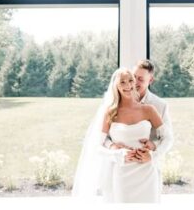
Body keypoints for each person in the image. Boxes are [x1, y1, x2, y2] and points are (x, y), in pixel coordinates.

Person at [72, 67, 168, 203]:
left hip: (147, 172)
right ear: (115, 86)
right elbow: (96, 146)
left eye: (130, 81)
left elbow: (167, 138)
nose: (128, 85)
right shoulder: (110, 113)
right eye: (122, 82)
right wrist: (116, 154)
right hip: (122, 173)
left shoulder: (148, 109)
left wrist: (153, 154)